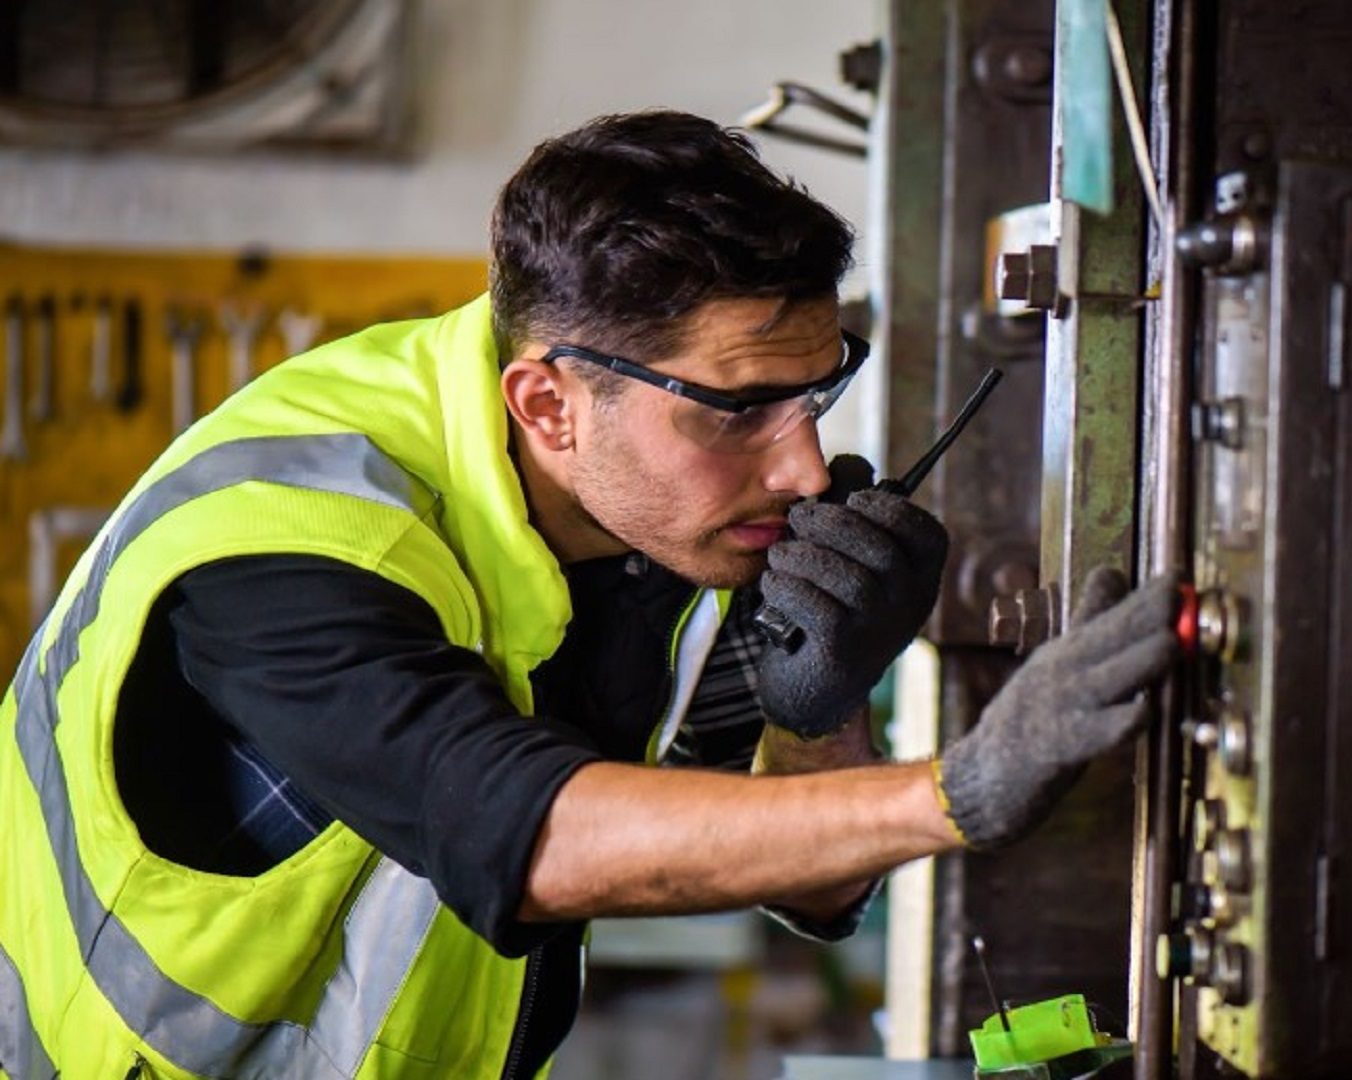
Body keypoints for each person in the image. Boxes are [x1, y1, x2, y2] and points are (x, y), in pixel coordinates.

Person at [0, 111, 1176, 1078]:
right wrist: (959, 789)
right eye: (738, 407)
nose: (807, 469)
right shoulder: (280, 546)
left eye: (814, 396)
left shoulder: (654, 516)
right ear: (549, 404)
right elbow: (534, 836)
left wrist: (819, 705)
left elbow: (818, 878)